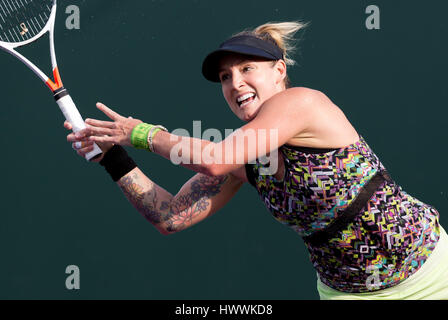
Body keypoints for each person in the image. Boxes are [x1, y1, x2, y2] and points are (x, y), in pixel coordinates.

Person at [65, 21, 448, 300]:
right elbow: (170, 216)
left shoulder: (302, 103)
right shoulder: (247, 159)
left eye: (247, 69)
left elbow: (213, 158)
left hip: (431, 273)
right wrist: (113, 157)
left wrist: (139, 132)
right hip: (346, 293)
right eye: (226, 77)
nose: (235, 84)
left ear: (279, 71)